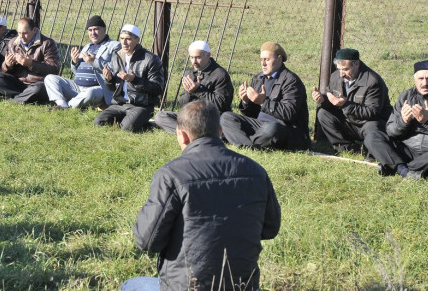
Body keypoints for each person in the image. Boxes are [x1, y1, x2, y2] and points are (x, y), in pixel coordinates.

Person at [122, 100, 281, 291]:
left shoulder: (171, 175)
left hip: (188, 286)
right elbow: (270, 229)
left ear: (182, 136)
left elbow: (146, 241)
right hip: (242, 286)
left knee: (131, 285)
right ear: (221, 131)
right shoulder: (256, 172)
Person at [220, 41, 310, 151]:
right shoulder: (258, 79)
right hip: (260, 126)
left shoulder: (291, 81)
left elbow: (288, 113)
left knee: (273, 128)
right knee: (226, 117)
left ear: (279, 59)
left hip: (284, 128)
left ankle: (243, 141)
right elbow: (252, 114)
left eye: (267, 60)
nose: (263, 64)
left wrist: (263, 102)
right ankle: (250, 146)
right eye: (261, 60)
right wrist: (246, 101)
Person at [364, 60, 428, 179]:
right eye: (420, 78)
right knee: (373, 136)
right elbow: (391, 131)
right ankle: (406, 171)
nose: (425, 83)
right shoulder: (406, 96)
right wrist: (403, 122)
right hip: (407, 149)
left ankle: (394, 166)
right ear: (414, 79)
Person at [312, 48, 392, 153]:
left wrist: (346, 104)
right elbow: (332, 97)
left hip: (367, 124)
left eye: (345, 69)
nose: (341, 74)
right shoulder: (336, 76)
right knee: (323, 114)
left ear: (356, 64)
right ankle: (347, 148)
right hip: (349, 121)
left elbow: (373, 113)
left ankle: (372, 150)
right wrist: (323, 99)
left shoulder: (373, 81)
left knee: (372, 126)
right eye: (339, 69)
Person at [93, 24, 164, 132]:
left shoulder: (151, 59)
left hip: (141, 105)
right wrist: (109, 79)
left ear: (137, 40)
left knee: (127, 129)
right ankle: (135, 122)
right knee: (98, 122)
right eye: (122, 39)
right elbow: (112, 88)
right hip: (119, 103)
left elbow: (157, 88)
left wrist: (135, 80)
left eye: (128, 39)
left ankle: (143, 123)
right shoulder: (117, 56)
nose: (124, 43)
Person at [154, 40, 233, 133]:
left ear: (208, 55)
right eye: (191, 57)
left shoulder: (220, 74)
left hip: (210, 118)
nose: (194, 62)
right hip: (192, 116)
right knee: (161, 116)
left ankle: (189, 133)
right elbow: (183, 103)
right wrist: (189, 92)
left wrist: (198, 90)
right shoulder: (190, 73)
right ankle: (195, 133)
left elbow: (221, 104)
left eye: (198, 57)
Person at [44, 15, 120, 110]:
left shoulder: (114, 46)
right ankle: (62, 104)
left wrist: (94, 62)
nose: (93, 33)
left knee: (90, 93)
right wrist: (75, 62)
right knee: (50, 78)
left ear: (104, 29)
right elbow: (77, 72)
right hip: (78, 87)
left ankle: (67, 106)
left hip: (98, 89)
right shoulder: (87, 46)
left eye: (96, 29)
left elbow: (115, 68)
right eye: (90, 30)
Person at [0, 17, 61, 104]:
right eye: (19, 33)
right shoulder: (13, 43)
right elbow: (5, 70)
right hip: (18, 82)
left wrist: (31, 64)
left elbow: (54, 69)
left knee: (40, 88)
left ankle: (13, 100)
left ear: (34, 30)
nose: (21, 37)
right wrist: (7, 65)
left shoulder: (47, 43)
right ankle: (25, 97)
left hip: (37, 83)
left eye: (25, 33)